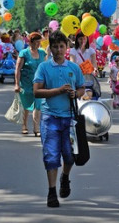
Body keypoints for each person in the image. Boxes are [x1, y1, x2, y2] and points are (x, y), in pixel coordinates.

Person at [33, 30, 85, 208]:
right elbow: (37, 91)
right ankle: (51, 192)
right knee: (51, 156)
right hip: (50, 117)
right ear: (51, 48)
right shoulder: (44, 67)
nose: (58, 50)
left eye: (61, 46)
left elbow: (81, 88)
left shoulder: (73, 68)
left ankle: (65, 177)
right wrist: (58, 91)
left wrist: (74, 93)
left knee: (70, 156)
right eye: (55, 46)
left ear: (66, 47)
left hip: (69, 118)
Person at [15, 32, 47, 136]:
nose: (39, 44)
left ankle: (36, 129)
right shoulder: (24, 53)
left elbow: (46, 68)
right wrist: (17, 84)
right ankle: (24, 125)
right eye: (37, 42)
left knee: (37, 105)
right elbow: (18, 69)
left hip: (39, 84)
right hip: (26, 83)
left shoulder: (42, 53)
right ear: (31, 42)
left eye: (40, 42)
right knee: (26, 105)